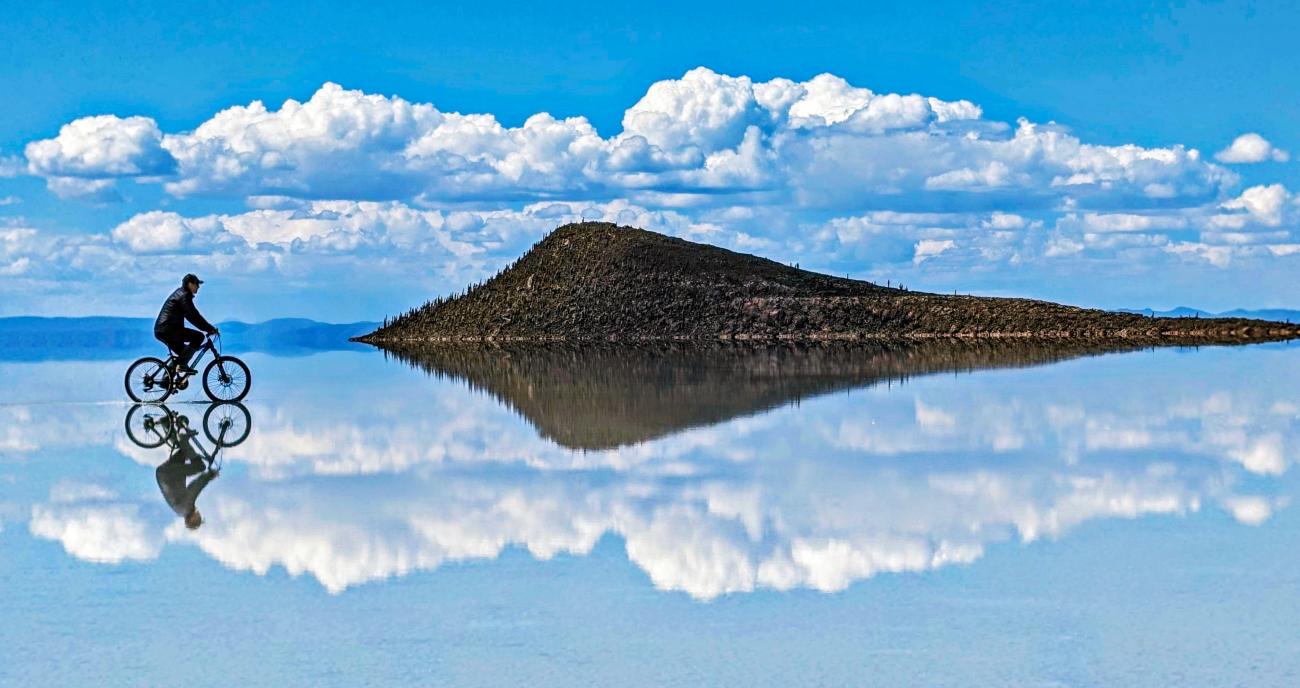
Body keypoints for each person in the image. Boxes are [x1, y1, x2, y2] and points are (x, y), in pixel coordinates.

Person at [154, 411, 219, 530]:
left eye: (198, 518)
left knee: (200, 467)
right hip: (165, 474)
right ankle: (166, 425)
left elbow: (195, 487)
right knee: (184, 451)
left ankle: (183, 438)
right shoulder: (182, 510)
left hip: (169, 474)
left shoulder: (185, 508)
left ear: (192, 519)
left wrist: (210, 475)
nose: (199, 515)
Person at [155, 273, 218, 374]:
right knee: (198, 337)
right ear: (190, 284)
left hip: (164, 330)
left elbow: (193, 316)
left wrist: (208, 327)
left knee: (184, 354)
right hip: (168, 330)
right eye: (197, 284)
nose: (198, 287)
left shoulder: (181, 294)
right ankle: (182, 366)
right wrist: (209, 328)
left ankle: (166, 381)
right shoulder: (184, 296)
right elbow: (193, 316)